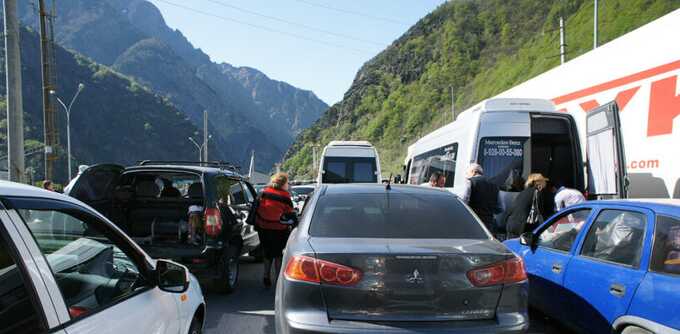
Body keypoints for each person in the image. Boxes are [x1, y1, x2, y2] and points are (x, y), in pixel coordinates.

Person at [255, 172, 297, 288]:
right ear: (283, 183)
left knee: (267, 252)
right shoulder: (285, 196)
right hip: (279, 228)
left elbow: (257, 208)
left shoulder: (263, 192)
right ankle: (278, 279)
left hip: (263, 227)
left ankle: (266, 275)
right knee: (278, 254)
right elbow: (289, 213)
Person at [460, 163, 503, 234]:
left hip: (473, 223)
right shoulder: (495, 185)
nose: (467, 176)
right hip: (489, 224)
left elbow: (464, 202)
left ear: (473, 172)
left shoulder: (470, 182)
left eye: (467, 173)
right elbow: (501, 208)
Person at [505, 173, 550, 239]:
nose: (545, 183)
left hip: (511, 224)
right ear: (537, 182)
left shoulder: (523, 192)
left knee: (510, 247)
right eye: (543, 181)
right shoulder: (537, 192)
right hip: (522, 227)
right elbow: (540, 211)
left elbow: (512, 208)